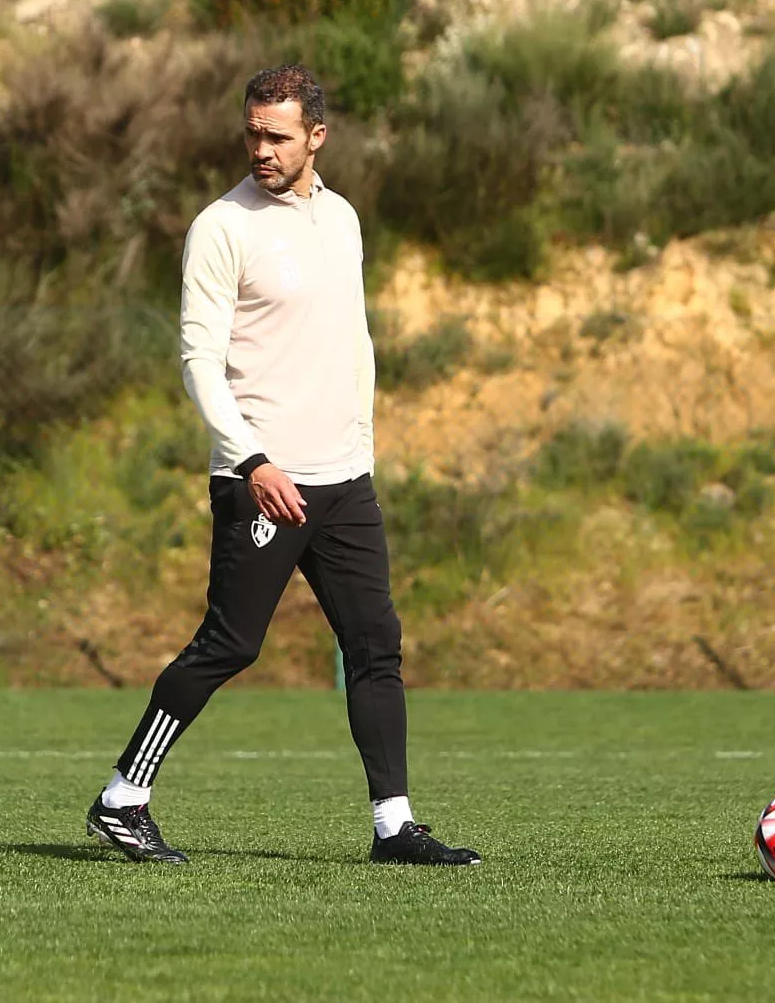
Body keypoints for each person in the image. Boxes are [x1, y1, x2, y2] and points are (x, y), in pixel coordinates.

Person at [85, 64, 480, 867]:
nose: (261, 148)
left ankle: (394, 826)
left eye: (278, 135)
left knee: (376, 646)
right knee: (229, 645)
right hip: (262, 480)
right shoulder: (222, 227)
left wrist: (357, 450)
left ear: (316, 137)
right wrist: (253, 458)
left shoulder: (342, 220)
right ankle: (122, 799)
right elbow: (198, 359)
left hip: (345, 481)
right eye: (252, 133)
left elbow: (343, 344)